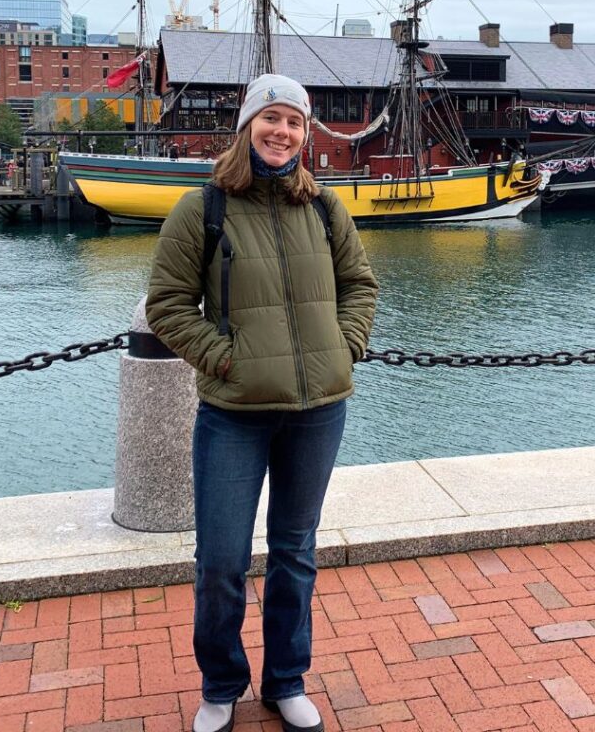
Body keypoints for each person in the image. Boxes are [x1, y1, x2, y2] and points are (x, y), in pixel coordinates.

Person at [145, 74, 379, 732]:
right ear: (248, 125)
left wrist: (345, 345)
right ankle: (222, 682)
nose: (282, 131)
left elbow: (359, 284)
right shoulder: (204, 210)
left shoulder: (325, 208)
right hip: (235, 414)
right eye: (271, 118)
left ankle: (285, 680)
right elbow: (167, 306)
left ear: (307, 134)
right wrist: (225, 359)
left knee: (294, 552)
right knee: (220, 559)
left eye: (295, 122)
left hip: (319, 410)